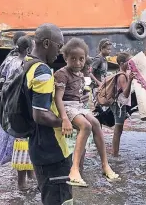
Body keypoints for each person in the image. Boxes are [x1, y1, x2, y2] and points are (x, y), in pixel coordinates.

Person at [54, 38, 119, 187]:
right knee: (86, 126)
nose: (78, 63)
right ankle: (74, 169)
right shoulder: (62, 74)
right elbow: (58, 98)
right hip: (66, 106)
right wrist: (64, 118)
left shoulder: (80, 74)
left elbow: (81, 92)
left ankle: (105, 165)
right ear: (65, 58)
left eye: (81, 59)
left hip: (78, 105)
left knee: (96, 123)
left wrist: (84, 97)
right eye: (73, 59)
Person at [25, 23, 72, 205]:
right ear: (46, 43)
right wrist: (66, 122)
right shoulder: (43, 71)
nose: (59, 53)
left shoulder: (27, 63)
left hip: (37, 145)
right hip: (52, 150)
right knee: (60, 199)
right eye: (58, 46)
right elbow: (40, 115)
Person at [0, 35, 35, 190]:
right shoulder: (24, 65)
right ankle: (22, 183)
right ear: (29, 49)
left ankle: (29, 175)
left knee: (16, 143)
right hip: (17, 109)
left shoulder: (8, 61)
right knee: (21, 143)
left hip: (6, 107)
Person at [111, 52, 135, 157]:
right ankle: (115, 154)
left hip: (119, 104)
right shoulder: (122, 76)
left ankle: (115, 152)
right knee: (118, 130)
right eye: (129, 61)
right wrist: (130, 80)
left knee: (119, 129)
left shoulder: (122, 73)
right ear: (122, 63)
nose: (130, 63)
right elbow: (125, 94)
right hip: (119, 105)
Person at [90, 39, 113, 103]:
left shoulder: (104, 59)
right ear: (102, 48)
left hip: (103, 86)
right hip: (97, 87)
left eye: (110, 49)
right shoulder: (98, 59)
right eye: (108, 49)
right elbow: (90, 73)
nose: (110, 51)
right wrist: (98, 82)